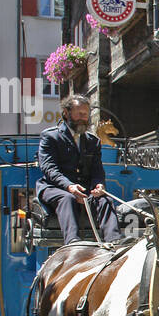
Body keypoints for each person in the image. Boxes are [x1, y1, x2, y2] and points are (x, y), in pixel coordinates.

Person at [36, 94, 120, 244]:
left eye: (86, 114)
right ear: (66, 113)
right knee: (67, 198)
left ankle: (115, 242)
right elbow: (49, 169)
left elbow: (97, 170)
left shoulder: (92, 141)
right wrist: (69, 186)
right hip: (54, 188)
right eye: (80, 114)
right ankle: (73, 243)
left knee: (105, 200)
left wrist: (99, 185)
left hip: (83, 190)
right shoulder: (50, 137)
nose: (83, 118)